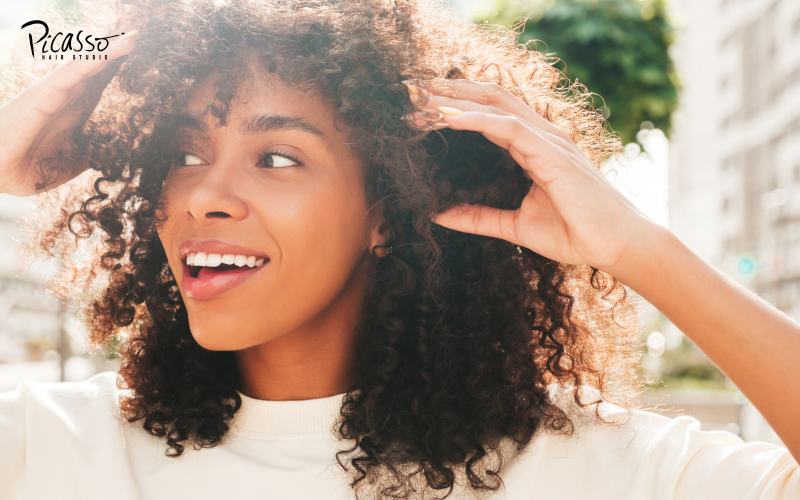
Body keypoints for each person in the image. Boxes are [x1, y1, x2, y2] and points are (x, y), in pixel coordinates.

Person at [0, 0, 798, 499]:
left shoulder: (590, 468)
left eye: (277, 157)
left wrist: (637, 248)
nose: (202, 193)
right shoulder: (50, 447)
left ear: (388, 210)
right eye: (182, 153)